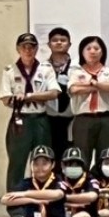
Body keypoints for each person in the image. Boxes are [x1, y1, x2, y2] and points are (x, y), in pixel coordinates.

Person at [1, 32, 59, 191]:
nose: (28, 50)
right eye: (24, 47)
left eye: (31, 47)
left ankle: (43, 198)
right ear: (18, 49)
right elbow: (5, 98)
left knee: (43, 160)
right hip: (20, 120)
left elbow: (53, 93)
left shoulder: (45, 69)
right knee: (17, 162)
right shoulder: (10, 71)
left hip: (40, 120)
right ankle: (15, 201)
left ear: (36, 49)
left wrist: (28, 96)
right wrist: (21, 98)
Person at [65, 36, 109, 159]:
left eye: (96, 48)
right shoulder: (76, 72)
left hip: (105, 119)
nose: (92, 51)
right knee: (82, 156)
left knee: (106, 156)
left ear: (102, 52)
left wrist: (95, 83)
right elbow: (74, 89)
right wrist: (100, 87)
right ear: (82, 52)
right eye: (88, 48)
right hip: (83, 119)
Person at [42, 29, 76, 157]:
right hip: (48, 117)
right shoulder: (42, 67)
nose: (59, 43)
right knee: (48, 154)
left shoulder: (77, 66)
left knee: (69, 155)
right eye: (55, 40)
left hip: (72, 118)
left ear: (69, 44)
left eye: (63, 40)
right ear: (49, 44)